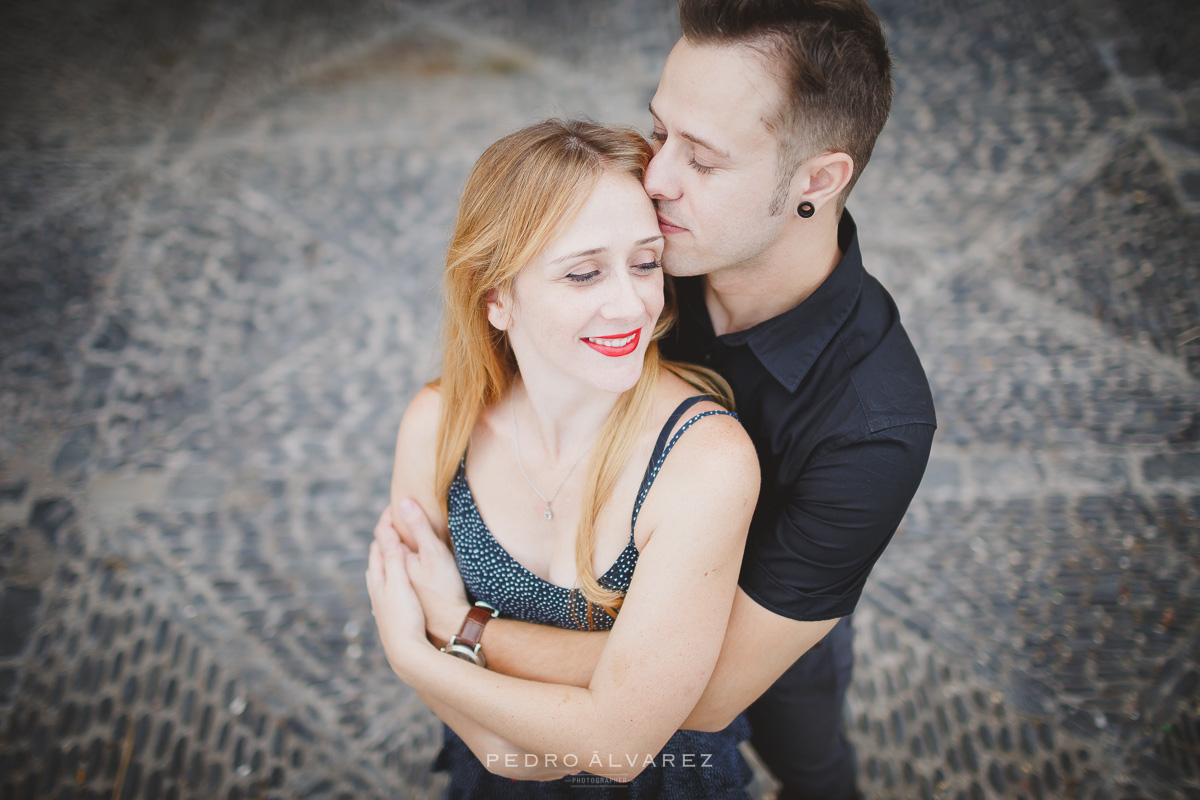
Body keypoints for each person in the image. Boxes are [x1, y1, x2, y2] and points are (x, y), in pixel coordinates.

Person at [383, 2, 937, 798]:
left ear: (817, 180)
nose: (657, 177)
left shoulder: (875, 425)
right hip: (586, 635)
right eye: (659, 130)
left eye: (703, 161)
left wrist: (461, 627)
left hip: (764, 643)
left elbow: (697, 699)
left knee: (810, 766)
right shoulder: (645, 246)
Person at [367, 118, 761, 797]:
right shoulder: (439, 426)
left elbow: (619, 744)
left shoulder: (704, 460)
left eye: (645, 263)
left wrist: (426, 647)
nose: (630, 304)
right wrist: (499, 747)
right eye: (583, 273)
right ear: (496, 297)